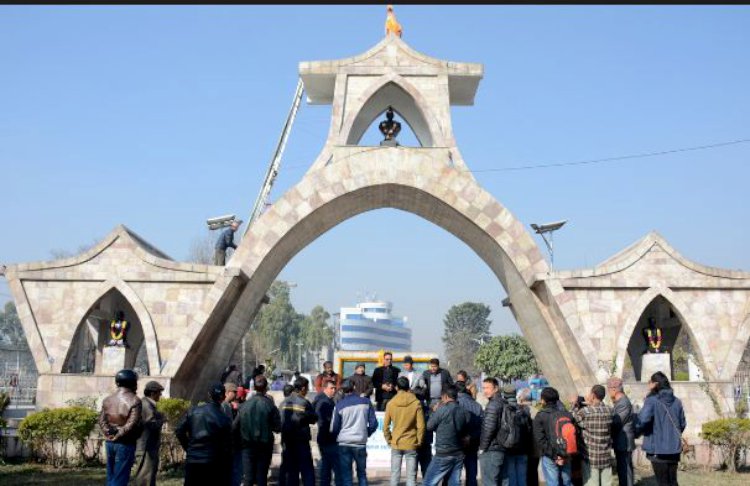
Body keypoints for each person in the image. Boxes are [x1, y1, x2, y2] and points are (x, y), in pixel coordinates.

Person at [635, 372, 686, 486]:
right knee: (673, 481)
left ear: (655, 384)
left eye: (650, 382)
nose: (648, 384)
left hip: (657, 449)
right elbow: (682, 424)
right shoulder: (677, 401)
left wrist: (636, 432)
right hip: (674, 449)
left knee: (663, 482)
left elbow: (642, 421)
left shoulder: (652, 400)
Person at [176, 383, 233, 486]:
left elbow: (179, 430)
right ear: (224, 397)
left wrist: (189, 448)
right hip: (214, 461)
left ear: (209, 395)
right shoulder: (224, 419)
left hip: (194, 460)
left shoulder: (193, 411)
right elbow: (227, 445)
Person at [98, 369, 143, 486]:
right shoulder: (135, 400)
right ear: (133, 383)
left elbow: (102, 420)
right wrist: (119, 434)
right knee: (120, 477)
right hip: (125, 442)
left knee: (111, 476)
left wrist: (109, 433)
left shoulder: (108, 399)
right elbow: (132, 423)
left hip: (110, 441)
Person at [235, 375, 281, 486]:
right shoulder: (270, 405)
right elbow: (278, 427)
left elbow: (235, 426)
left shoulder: (244, 406)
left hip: (247, 446)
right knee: (261, 477)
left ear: (254, 387)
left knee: (248, 478)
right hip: (264, 447)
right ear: (266, 387)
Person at [332, 379, 378, 486]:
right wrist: (366, 433)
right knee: (362, 474)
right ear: (354, 388)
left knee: (346, 475)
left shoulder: (339, 405)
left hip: (344, 443)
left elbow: (334, 428)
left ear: (342, 390)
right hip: (360, 443)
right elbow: (374, 423)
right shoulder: (366, 402)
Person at [422, 385, 468, 486]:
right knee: (454, 483)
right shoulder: (464, 411)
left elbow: (429, 426)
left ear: (445, 396)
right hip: (458, 453)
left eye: (441, 397)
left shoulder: (442, 410)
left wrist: (434, 412)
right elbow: (466, 430)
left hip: (443, 453)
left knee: (428, 482)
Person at [384, 376, 425, 486]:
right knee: (411, 477)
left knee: (394, 475)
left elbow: (385, 427)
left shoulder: (391, 403)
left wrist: (389, 440)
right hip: (411, 442)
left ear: (396, 388)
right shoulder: (416, 403)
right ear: (408, 387)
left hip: (396, 442)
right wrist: (419, 441)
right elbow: (421, 426)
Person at [279, 376, 318, 486]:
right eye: (307, 388)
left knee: (292, 472)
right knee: (307, 471)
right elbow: (314, 419)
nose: (308, 391)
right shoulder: (304, 402)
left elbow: (279, 421)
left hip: (287, 442)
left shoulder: (284, 402)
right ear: (303, 388)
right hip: (301, 442)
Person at [572, 385, 613, 486]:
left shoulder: (585, 411)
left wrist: (574, 404)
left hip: (590, 456)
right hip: (606, 455)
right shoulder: (610, 410)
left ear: (593, 395)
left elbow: (573, 419)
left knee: (591, 483)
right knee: (607, 483)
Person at [533, 387, 574, 486]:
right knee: (567, 482)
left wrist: (555, 456)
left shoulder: (540, 416)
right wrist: (563, 455)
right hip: (566, 454)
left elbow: (540, 440)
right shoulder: (567, 415)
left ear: (543, 400)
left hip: (549, 456)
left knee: (553, 483)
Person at [500, 383, 534, 486]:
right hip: (523, 448)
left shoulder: (503, 409)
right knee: (522, 477)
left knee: (511, 477)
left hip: (509, 448)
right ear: (515, 394)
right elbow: (529, 429)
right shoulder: (525, 409)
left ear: (504, 395)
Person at [134, 381, 164, 486]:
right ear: (152, 393)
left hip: (149, 446)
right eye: (159, 392)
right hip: (146, 447)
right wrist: (162, 419)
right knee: (145, 478)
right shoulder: (146, 405)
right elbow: (151, 424)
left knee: (149, 476)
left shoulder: (149, 404)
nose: (160, 395)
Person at [314, 380, 343, 486]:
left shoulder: (329, 400)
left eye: (335, 388)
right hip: (327, 438)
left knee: (327, 465)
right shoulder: (323, 401)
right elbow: (322, 420)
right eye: (331, 388)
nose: (334, 390)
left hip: (328, 438)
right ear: (325, 388)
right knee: (332, 466)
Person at [607, 377, 635, 486]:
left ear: (614, 389)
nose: (608, 392)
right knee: (622, 470)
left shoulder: (623, 403)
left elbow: (616, 422)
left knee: (625, 471)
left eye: (609, 389)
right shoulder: (619, 402)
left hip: (624, 442)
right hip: (621, 441)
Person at [456, 381, 483, 486]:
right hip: (473, 441)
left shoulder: (456, 403)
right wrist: (471, 436)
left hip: (458, 442)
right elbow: (482, 426)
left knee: (455, 473)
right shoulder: (477, 406)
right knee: (472, 471)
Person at [478, 377, 504, 486]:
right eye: (483, 388)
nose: (485, 391)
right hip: (502, 448)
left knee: (489, 482)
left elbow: (489, 428)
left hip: (492, 449)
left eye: (488, 388)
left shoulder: (493, 405)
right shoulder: (503, 402)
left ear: (496, 388)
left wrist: (482, 448)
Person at [518, 388, 542, 486]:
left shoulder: (519, 411)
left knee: (523, 474)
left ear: (521, 398)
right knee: (533, 472)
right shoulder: (537, 411)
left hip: (524, 447)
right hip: (536, 448)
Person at [221, 383, 242, 486]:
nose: (236, 394)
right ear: (227, 393)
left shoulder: (228, 405)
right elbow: (228, 426)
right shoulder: (223, 406)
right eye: (234, 392)